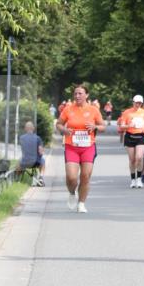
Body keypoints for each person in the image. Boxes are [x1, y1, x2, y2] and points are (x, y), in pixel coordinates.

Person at [56, 84, 105, 212]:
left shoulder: (93, 110)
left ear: (86, 95)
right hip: (71, 147)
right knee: (72, 177)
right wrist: (64, 130)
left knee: (85, 176)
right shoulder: (68, 109)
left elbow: (102, 126)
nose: (77, 96)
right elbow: (59, 124)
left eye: (80, 93)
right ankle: (72, 193)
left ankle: (81, 203)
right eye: (75, 93)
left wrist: (95, 127)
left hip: (88, 147)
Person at [117, 95, 144, 188]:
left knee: (139, 157)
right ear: (133, 102)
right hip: (130, 136)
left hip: (141, 136)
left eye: (140, 103)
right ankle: (133, 180)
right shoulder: (127, 112)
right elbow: (122, 126)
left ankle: (139, 179)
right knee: (132, 160)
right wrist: (129, 125)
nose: (138, 104)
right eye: (136, 102)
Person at [16, 121, 46, 186]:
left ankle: (18, 179)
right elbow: (40, 152)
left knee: (19, 161)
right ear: (33, 128)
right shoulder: (38, 138)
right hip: (36, 162)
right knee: (43, 160)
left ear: (25, 129)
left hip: (24, 162)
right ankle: (41, 177)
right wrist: (41, 152)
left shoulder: (21, 138)